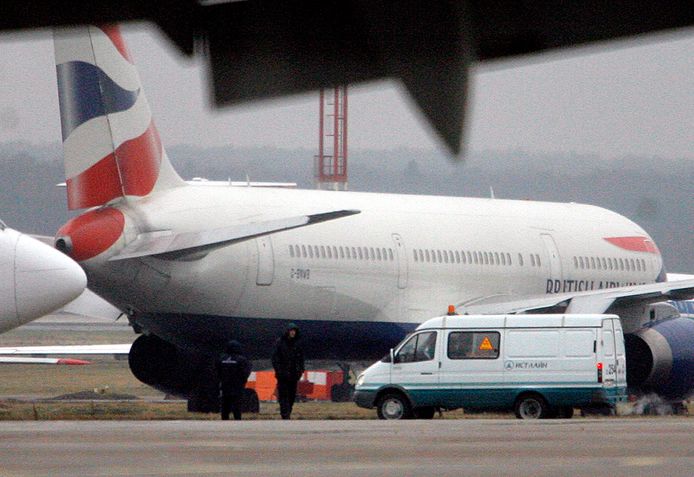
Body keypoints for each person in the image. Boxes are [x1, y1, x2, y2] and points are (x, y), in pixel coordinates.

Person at [271, 323, 305, 420]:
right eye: (291, 331)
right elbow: (275, 358)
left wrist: (301, 370)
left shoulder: (298, 343)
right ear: (287, 331)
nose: (293, 333)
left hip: (294, 374)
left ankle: (288, 411)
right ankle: (285, 414)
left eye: (294, 331)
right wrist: (278, 370)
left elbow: (301, 358)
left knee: (291, 395)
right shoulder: (280, 342)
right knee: (283, 395)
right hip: (282, 374)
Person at [216, 340, 252, 420]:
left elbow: (217, 370)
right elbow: (246, 371)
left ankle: (224, 419)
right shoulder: (241, 359)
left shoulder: (222, 359)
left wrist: (222, 379)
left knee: (225, 404)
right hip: (237, 386)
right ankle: (237, 419)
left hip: (225, 385)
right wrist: (243, 380)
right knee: (237, 404)